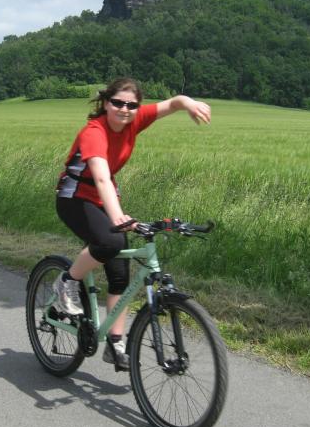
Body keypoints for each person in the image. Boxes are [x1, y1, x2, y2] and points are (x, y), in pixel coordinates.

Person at [54, 77, 211, 370]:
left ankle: (115, 343)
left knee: (119, 276)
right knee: (110, 242)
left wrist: (189, 104)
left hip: (103, 199)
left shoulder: (134, 121)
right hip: (74, 197)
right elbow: (101, 177)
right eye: (118, 103)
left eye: (131, 105)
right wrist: (117, 216)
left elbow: (173, 103)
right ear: (106, 103)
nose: (124, 110)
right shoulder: (94, 131)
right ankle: (67, 281)